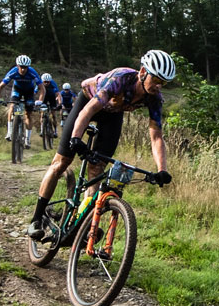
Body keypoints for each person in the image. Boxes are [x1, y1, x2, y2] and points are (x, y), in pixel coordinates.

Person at [28, 50, 177, 236]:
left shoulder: (155, 99)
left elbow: (156, 136)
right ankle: (37, 217)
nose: (158, 85)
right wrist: (76, 138)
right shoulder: (120, 80)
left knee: (96, 168)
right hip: (88, 102)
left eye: (163, 82)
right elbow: (87, 112)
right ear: (142, 72)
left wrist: (162, 169)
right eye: (156, 79)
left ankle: (83, 224)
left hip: (113, 114)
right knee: (61, 162)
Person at [0, 55, 41, 141]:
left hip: (29, 91)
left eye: (25, 67)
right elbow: (1, 86)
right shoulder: (13, 72)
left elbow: (42, 88)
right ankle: (10, 133)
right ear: (17, 66)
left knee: (28, 114)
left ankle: (27, 139)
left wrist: (40, 100)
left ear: (28, 67)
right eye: (21, 67)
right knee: (12, 106)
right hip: (17, 90)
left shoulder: (32, 72)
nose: (23, 69)